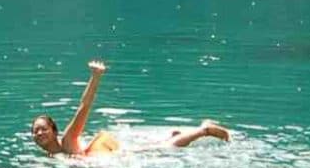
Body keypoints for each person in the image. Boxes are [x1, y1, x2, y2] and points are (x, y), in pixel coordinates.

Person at [29, 60, 230, 157]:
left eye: (43, 128)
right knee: (163, 144)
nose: (39, 133)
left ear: (54, 131)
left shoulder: (68, 140)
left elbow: (84, 107)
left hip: (116, 154)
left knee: (167, 149)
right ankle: (176, 134)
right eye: (35, 131)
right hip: (107, 158)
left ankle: (204, 129)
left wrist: (96, 77)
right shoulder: (49, 157)